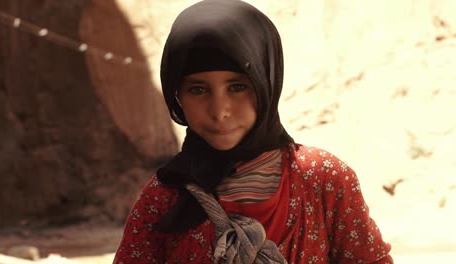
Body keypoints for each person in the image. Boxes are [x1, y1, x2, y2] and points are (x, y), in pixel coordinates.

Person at [113, 0, 393, 263]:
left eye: (238, 87)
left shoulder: (323, 179)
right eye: (198, 90)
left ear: (266, 84)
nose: (220, 110)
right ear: (177, 95)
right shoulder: (164, 197)